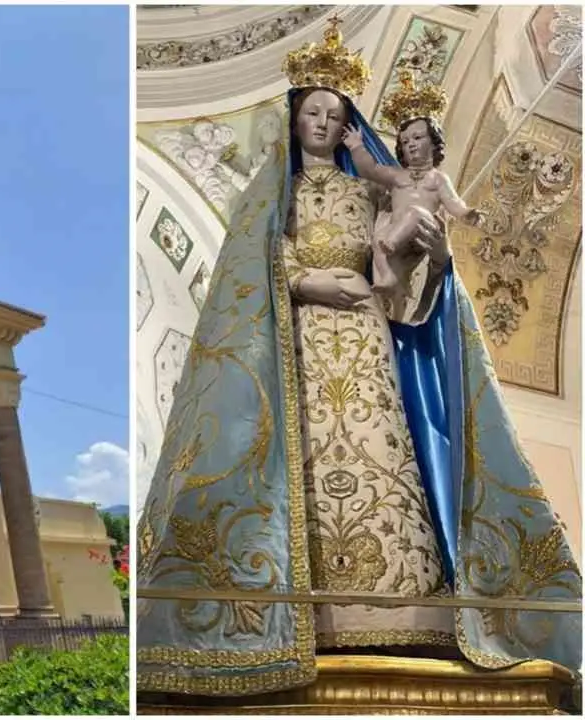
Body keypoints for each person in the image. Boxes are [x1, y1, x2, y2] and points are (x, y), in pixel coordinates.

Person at [136, 18, 581, 698]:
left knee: (379, 447)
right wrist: (300, 280)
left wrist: (429, 255)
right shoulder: (272, 197)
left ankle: (399, 596)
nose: (320, 122)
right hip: (301, 345)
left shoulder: (366, 190)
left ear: (348, 124)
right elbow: (247, 271)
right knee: (304, 458)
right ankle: (296, 598)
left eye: (334, 114)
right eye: (312, 111)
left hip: (367, 337)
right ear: (292, 119)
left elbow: (398, 286)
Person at [342, 70, 482, 296]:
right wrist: (356, 146)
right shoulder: (398, 176)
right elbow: (369, 169)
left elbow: (453, 202)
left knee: (415, 212)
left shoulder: (437, 178)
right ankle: (386, 275)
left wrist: (467, 213)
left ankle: (391, 245)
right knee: (377, 238)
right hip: (393, 234)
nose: (411, 145)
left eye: (418, 138)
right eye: (405, 142)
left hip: (422, 232)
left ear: (434, 143)